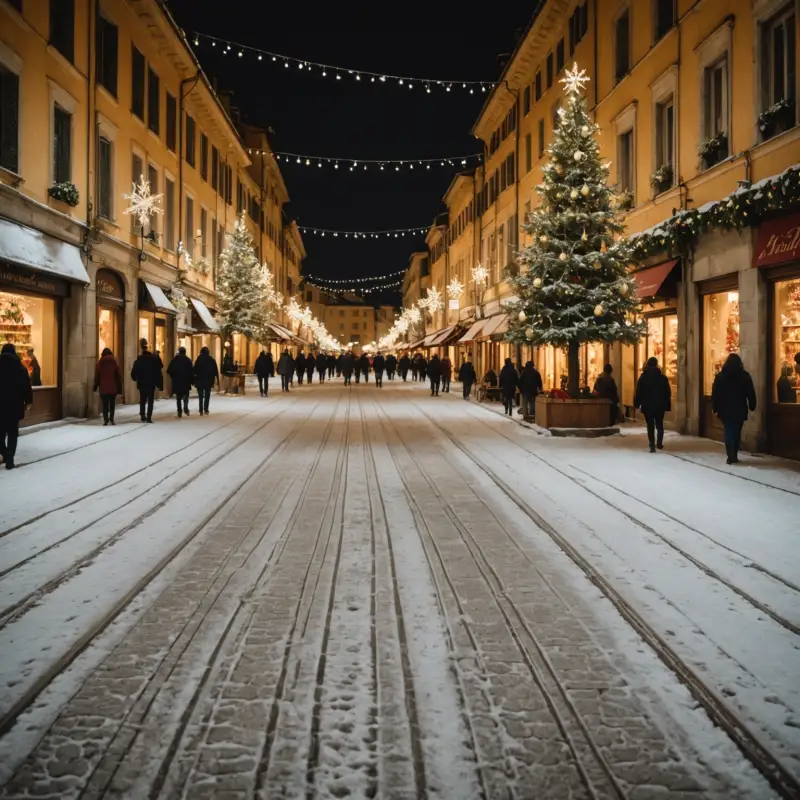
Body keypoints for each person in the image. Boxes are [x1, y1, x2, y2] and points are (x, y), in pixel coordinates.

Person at [712, 353, 757, 465]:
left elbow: (716, 394)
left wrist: (715, 407)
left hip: (725, 409)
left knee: (728, 429)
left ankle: (730, 454)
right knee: (736, 431)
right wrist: (752, 404)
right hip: (739, 408)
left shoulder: (721, 376)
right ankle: (734, 454)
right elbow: (750, 392)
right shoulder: (744, 376)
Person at [0, 343, 33, 469]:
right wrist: (28, 401)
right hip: (14, 406)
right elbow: (26, 387)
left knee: (0, 433)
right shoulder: (20, 368)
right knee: (13, 433)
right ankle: (10, 457)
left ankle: (5, 453)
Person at [635, 357, 672, 453]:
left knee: (650, 424)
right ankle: (659, 443)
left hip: (647, 405)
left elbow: (639, 392)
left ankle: (652, 445)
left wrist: (637, 404)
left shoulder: (643, 378)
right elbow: (667, 392)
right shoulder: (662, 378)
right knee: (660, 424)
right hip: (660, 405)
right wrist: (666, 404)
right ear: (656, 365)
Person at [131, 339, 162, 422]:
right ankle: (149, 417)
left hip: (142, 383)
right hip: (151, 383)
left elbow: (134, 371)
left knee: (143, 399)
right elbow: (158, 371)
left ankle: (142, 414)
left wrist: (135, 378)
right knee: (150, 400)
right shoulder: (153, 361)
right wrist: (158, 383)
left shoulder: (139, 360)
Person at [94, 347, 122, 426]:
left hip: (103, 387)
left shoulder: (99, 363)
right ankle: (112, 419)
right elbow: (118, 375)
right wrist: (119, 386)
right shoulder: (114, 362)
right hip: (113, 387)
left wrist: (95, 386)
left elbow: (97, 376)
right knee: (112, 404)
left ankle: (106, 420)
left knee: (105, 404)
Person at [167, 346, 194, 418]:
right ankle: (185, 408)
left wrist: (173, 377)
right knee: (186, 396)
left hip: (177, 382)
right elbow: (192, 372)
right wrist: (192, 381)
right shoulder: (188, 361)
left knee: (178, 398)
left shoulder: (174, 360)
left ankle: (179, 411)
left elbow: (169, 371)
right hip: (186, 382)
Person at [193, 346, 220, 414]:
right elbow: (215, 370)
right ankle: (206, 409)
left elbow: (194, 370)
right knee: (207, 395)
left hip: (199, 380)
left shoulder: (198, 359)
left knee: (200, 396)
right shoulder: (211, 360)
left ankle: (201, 409)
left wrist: (193, 379)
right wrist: (217, 380)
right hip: (209, 380)